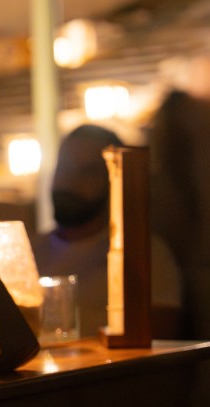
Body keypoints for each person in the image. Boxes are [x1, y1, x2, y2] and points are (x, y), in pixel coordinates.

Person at [31, 124, 183, 339]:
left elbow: (159, 340)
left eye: (87, 172)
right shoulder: (27, 254)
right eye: (65, 168)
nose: (71, 181)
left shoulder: (143, 254)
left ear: (111, 180)